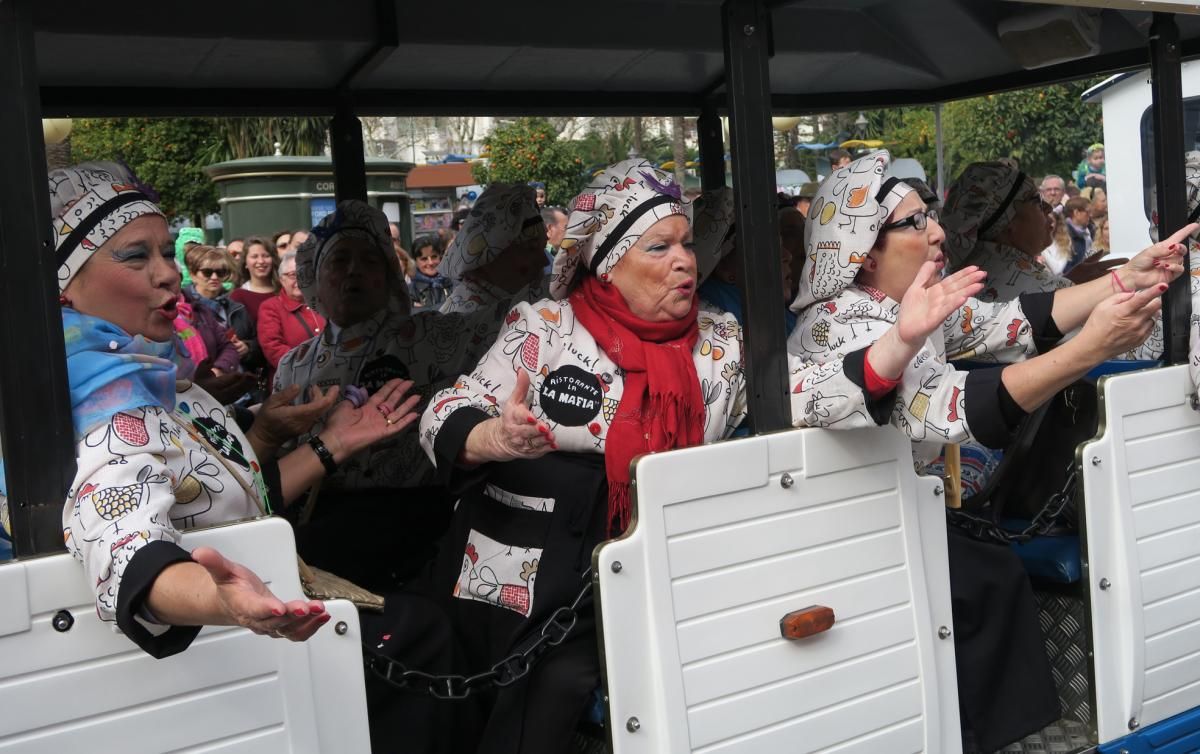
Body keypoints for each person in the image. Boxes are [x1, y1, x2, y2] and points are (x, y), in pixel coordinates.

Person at [788, 150, 1189, 751]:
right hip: (859, 533)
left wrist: (1124, 278)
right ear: (863, 251)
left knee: (987, 567)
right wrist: (1087, 351)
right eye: (914, 223)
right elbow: (953, 408)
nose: (937, 232)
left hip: (909, 514)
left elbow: (1013, 321)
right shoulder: (842, 323)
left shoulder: (899, 305)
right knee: (980, 579)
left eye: (931, 216)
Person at [387, 159, 746, 754]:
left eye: (686, 242)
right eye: (659, 247)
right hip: (545, 572)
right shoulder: (546, 327)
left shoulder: (720, 340)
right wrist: (495, 438)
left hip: (673, 556)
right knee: (545, 703)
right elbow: (444, 414)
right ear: (606, 258)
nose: (686, 261)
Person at [16, 161, 422, 659]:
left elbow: (217, 492)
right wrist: (219, 599)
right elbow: (124, 538)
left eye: (166, 252)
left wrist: (299, 437)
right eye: (135, 257)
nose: (168, 272)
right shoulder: (105, 401)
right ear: (64, 285)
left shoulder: (152, 371)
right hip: (237, 642)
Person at [693, 186, 795, 330]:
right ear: (724, 268)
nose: (787, 256)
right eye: (768, 248)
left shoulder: (772, 314)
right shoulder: (722, 329)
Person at [438, 183, 548, 315]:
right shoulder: (469, 319)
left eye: (543, 248)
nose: (544, 261)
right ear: (492, 255)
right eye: (531, 250)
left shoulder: (509, 303)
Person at [185, 246, 262, 378]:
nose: (214, 277)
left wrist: (248, 348)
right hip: (200, 383)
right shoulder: (184, 307)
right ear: (193, 275)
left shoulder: (236, 307)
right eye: (207, 272)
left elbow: (258, 343)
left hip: (238, 386)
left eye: (220, 272)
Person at [257, 250, 325, 370]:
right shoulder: (271, 307)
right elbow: (273, 348)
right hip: (295, 379)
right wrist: (312, 363)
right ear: (281, 279)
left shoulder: (325, 302)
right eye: (293, 275)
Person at [230, 236, 280, 323]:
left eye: (265, 256)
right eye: (254, 256)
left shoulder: (285, 290)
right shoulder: (238, 296)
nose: (261, 261)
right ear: (245, 263)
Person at [408, 235, 453, 309]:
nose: (430, 262)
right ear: (415, 261)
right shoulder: (410, 291)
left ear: (440, 257)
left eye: (434, 257)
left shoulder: (453, 282)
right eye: (424, 259)